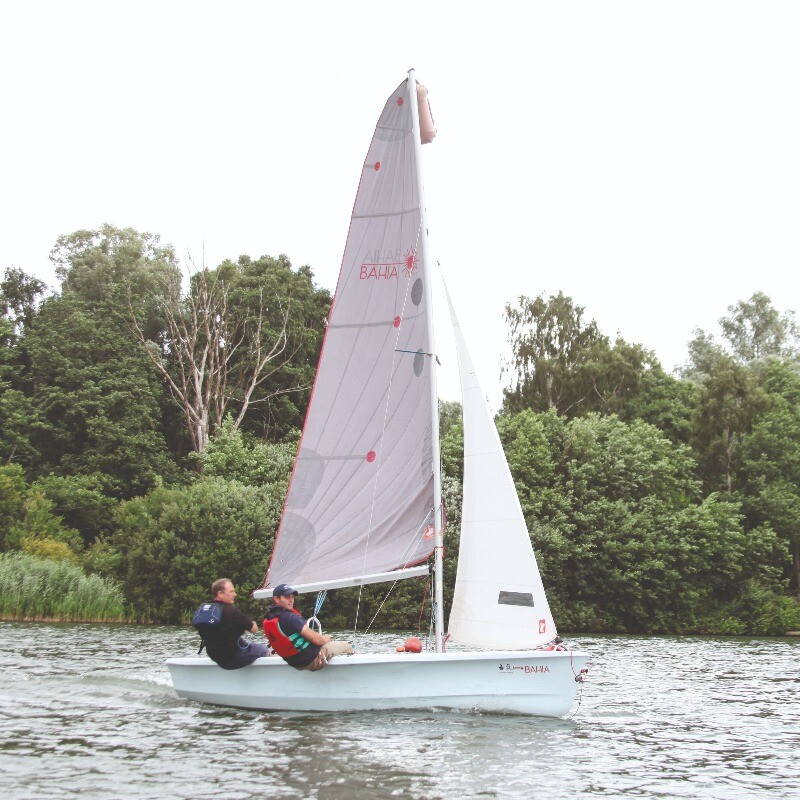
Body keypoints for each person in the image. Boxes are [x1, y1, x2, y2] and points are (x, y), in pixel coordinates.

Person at [263, 584, 353, 671]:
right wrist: (326, 638)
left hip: (294, 663)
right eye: (286, 597)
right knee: (349, 645)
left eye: (292, 597)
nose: (291, 600)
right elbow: (318, 641)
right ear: (276, 599)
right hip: (313, 661)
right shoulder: (291, 618)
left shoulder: (269, 618)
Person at [199, 578, 271, 670]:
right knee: (263, 649)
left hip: (215, 657)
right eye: (231, 591)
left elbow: (221, 631)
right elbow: (254, 629)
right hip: (233, 659)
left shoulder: (203, 610)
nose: (235, 594)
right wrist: (253, 623)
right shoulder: (231, 611)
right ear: (220, 594)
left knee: (242, 642)